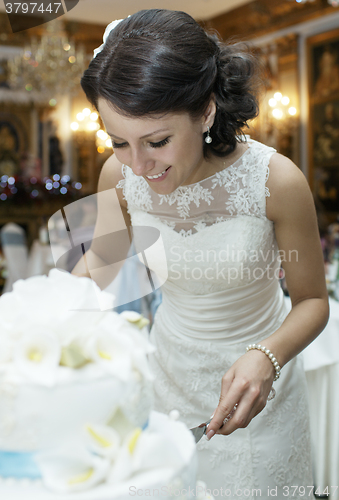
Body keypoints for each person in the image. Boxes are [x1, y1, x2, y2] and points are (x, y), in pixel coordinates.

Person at [73, 9, 329, 498]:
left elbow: (314, 303)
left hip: (262, 386)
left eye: (158, 141)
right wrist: (45, 312)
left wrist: (266, 358)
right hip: (167, 377)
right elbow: (99, 269)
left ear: (206, 111)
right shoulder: (117, 176)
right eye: (118, 142)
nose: (139, 164)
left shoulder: (277, 181)